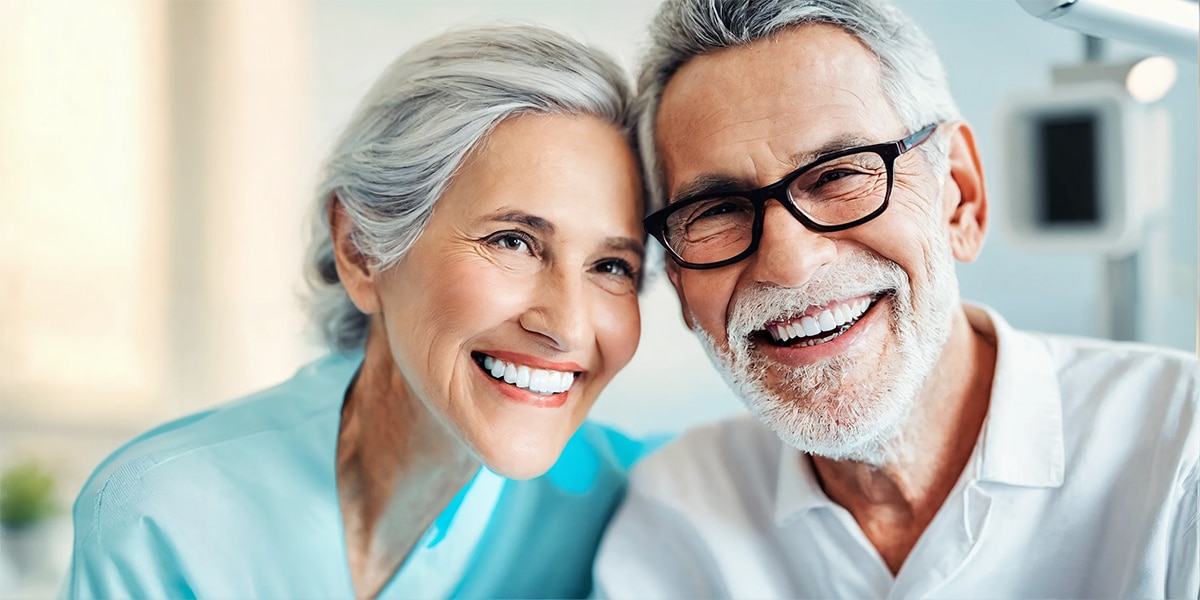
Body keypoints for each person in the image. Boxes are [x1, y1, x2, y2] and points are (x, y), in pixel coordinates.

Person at [594, 0, 1199, 597]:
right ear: (676, 278)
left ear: (960, 195)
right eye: (718, 210)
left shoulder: (1180, 459)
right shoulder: (674, 518)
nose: (789, 264)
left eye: (837, 174)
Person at [63, 24, 652, 599]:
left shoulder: (644, 502)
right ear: (361, 251)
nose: (569, 326)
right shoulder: (163, 519)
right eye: (512, 241)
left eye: (612, 266)